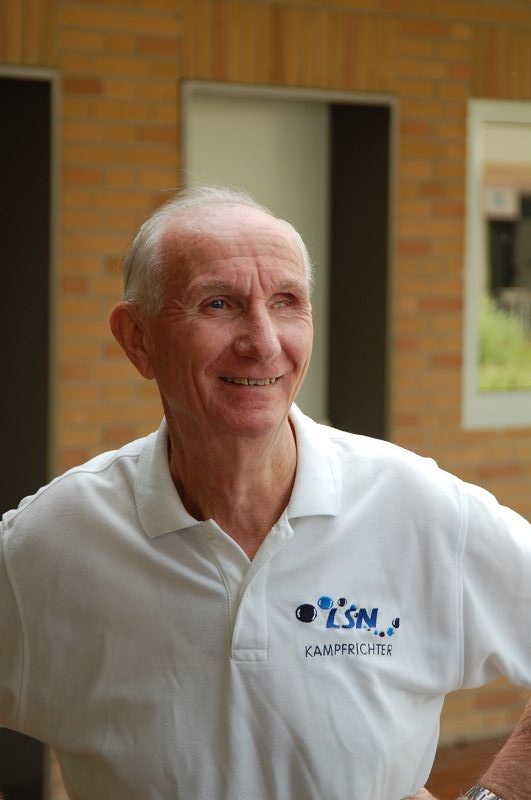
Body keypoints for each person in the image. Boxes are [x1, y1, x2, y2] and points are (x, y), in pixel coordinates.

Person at [1, 185, 530, 800]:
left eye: (286, 302)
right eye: (219, 304)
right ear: (138, 339)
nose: (263, 341)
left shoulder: (417, 509)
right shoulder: (55, 540)